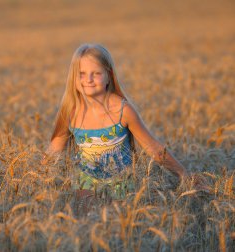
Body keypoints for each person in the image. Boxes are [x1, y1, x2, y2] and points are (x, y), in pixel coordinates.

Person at [42, 43, 195, 211]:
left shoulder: (123, 111)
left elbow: (153, 148)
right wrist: (35, 179)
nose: (89, 80)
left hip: (122, 183)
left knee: (118, 222)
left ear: (109, 75)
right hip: (85, 184)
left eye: (96, 73)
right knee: (87, 221)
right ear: (73, 78)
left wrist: (184, 174)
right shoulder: (71, 112)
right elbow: (54, 151)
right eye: (82, 74)